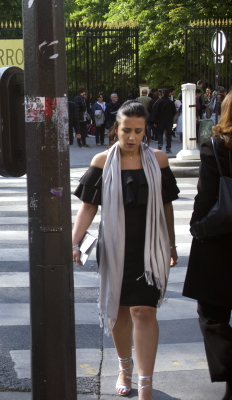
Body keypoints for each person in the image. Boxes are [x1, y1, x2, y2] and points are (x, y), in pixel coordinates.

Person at [72, 100, 179, 399]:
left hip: (150, 246)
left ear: (146, 131)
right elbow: (88, 206)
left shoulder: (158, 160)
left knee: (144, 311)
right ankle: (124, 367)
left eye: (138, 131)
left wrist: (171, 242)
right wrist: (74, 242)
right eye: (126, 130)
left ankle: (145, 381)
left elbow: (167, 205)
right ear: (116, 129)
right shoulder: (102, 161)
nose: (132, 137)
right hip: (115, 247)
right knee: (119, 313)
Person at [183, 92, 232, 400]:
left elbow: (206, 195)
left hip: (219, 237)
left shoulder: (215, 146)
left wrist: (197, 228)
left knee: (212, 314)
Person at [150, 88, 177, 153]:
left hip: (160, 120)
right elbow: (174, 111)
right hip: (169, 120)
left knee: (160, 133)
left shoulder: (159, 102)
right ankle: (168, 147)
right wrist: (171, 116)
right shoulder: (171, 102)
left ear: (163, 94)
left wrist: (155, 121)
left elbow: (156, 112)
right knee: (169, 134)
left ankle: (160, 144)